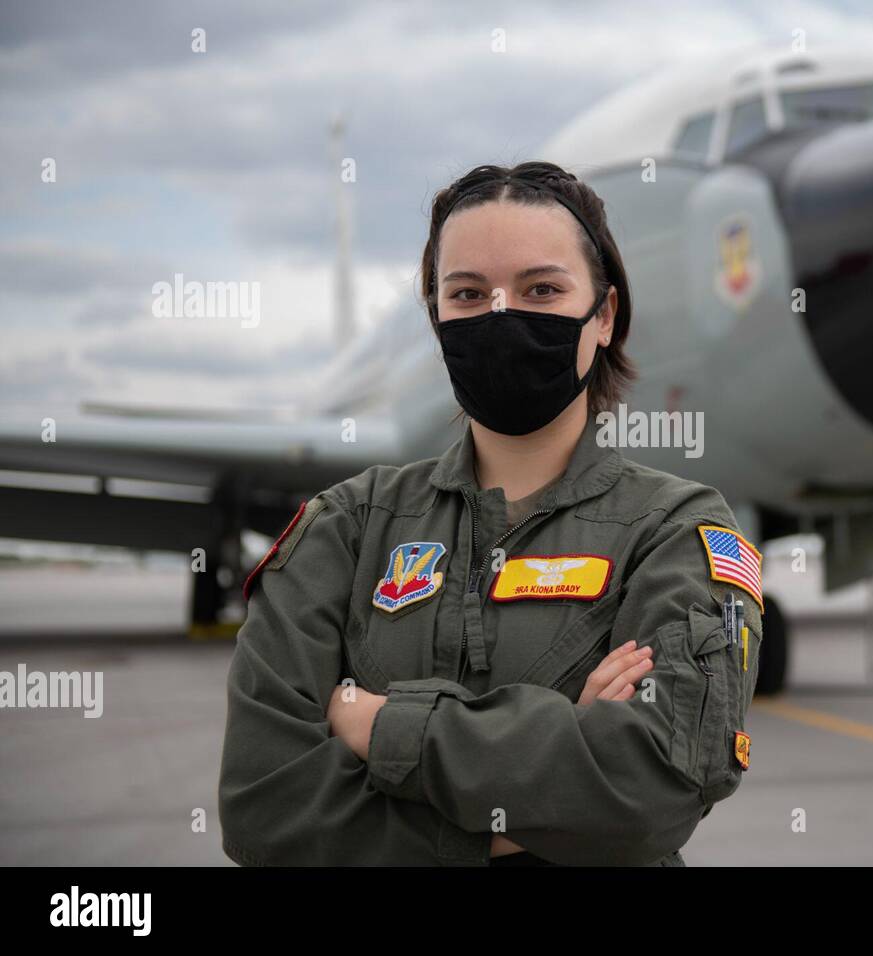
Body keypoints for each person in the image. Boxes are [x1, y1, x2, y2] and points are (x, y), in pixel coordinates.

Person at [217, 161, 763, 866]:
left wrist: (377, 725)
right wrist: (551, 787)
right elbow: (264, 808)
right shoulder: (344, 526)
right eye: (468, 294)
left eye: (542, 289)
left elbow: (650, 791)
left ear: (603, 316)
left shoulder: (676, 532)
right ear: (437, 319)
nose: (502, 316)